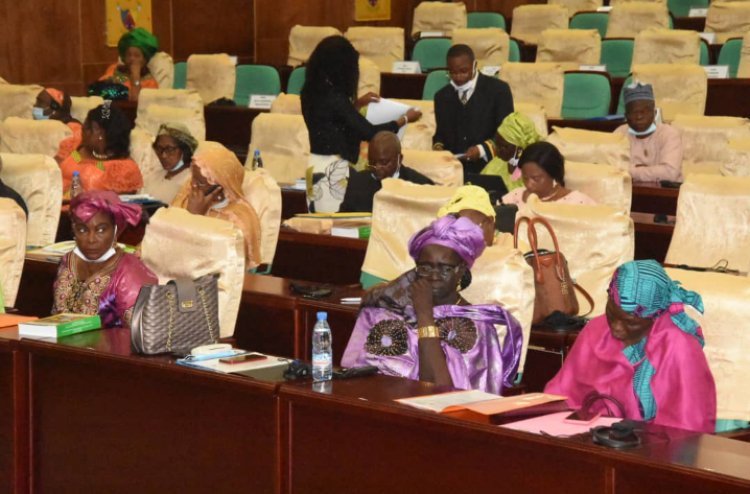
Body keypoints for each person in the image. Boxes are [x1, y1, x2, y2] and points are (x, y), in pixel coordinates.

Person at [342, 215, 522, 393]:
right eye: (426, 267)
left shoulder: (478, 326)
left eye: (445, 268)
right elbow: (356, 378)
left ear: (461, 271)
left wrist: (425, 315)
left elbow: (441, 391)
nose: (434, 276)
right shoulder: (392, 311)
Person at [545, 260, 716, 433]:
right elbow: (561, 396)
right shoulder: (596, 330)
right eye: (612, 314)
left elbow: (688, 428)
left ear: (654, 317)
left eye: (630, 323)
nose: (617, 328)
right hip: (589, 438)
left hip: (654, 449)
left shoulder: (680, 347)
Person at [301, 35, 421, 212]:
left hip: (316, 167)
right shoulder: (335, 97)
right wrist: (404, 119)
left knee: (319, 222)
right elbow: (370, 133)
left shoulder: (310, 91)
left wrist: (355, 106)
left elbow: (333, 119)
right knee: (336, 223)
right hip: (335, 172)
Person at [52, 191, 157, 328]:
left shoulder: (130, 272)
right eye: (82, 230)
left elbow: (143, 332)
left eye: (101, 230)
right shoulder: (68, 261)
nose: (91, 239)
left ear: (116, 230)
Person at [171, 142, 262, 269]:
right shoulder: (187, 197)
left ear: (220, 187)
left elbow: (218, 262)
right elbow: (168, 240)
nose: (193, 186)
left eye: (201, 182)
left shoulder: (237, 218)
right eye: (193, 178)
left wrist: (194, 217)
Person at [433, 44, 514, 175]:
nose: (458, 77)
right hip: (454, 169)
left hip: (490, 166)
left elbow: (507, 133)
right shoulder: (442, 96)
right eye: (452, 72)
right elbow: (440, 134)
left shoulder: (498, 91)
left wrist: (482, 150)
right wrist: (438, 148)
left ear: (475, 65)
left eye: (463, 71)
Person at [339, 131, 434, 213]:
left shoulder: (420, 186)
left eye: (384, 162)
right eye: (372, 162)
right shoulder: (357, 182)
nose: (376, 167)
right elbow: (343, 219)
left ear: (399, 159)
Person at [60, 102, 143, 194]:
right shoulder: (75, 147)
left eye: (86, 128)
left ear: (98, 130)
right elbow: (52, 173)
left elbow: (121, 206)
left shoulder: (122, 169)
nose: (82, 131)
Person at [614, 82, 683, 183]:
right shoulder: (619, 134)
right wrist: (653, 170)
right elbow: (609, 169)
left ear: (654, 113)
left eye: (644, 111)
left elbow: (669, 173)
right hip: (627, 193)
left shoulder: (669, 134)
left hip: (665, 195)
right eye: (633, 112)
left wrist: (630, 170)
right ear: (626, 115)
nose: (639, 117)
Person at [501, 142, 596, 205]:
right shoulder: (515, 197)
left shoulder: (577, 202)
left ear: (554, 175)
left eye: (536, 179)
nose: (529, 185)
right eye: (525, 178)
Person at [480, 112, 542, 193]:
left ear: (519, 149)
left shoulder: (535, 173)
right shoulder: (497, 163)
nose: (498, 150)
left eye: (504, 147)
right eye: (497, 144)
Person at [99, 27, 159, 101]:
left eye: (137, 55)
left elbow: (136, 100)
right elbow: (100, 92)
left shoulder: (150, 82)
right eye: (128, 54)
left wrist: (136, 78)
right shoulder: (115, 70)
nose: (132, 59)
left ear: (145, 60)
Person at [144, 123, 199, 204]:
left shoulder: (190, 180)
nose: (163, 155)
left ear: (184, 149)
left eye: (170, 149)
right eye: (159, 148)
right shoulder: (156, 173)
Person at [32, 88, 82, 164]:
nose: (35, 105)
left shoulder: (74, 128)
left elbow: (78, 159)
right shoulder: (35, 126)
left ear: (54, 107)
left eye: (40, 102)